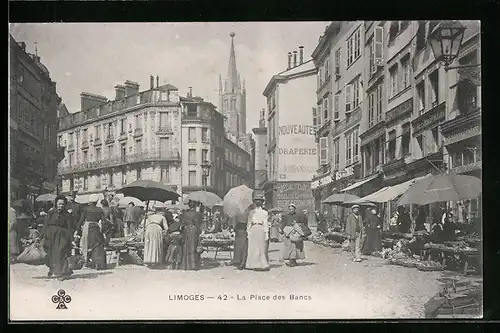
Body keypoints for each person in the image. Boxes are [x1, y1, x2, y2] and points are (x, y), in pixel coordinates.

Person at [39, 196, 76, 280]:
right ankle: (52, 269)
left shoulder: (67, 214)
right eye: (59, 204)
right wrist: (40, 236)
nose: (61, 206)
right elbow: (45, 225)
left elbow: (69, 227)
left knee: (61, 253)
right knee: (50, 253)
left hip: (62, 236)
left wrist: (72, 240)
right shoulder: (51, 213)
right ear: (56, 204)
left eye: (63, 204)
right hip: (50, 235)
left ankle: (61, 273)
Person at [79, 194, 107, 270]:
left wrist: (78, 229)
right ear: (97, 201)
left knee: (86, 244)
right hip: (96, 227)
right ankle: (97, 262)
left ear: (90, 201)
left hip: (87, 227)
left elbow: (81, 220)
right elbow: (104, 221)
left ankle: (87, 261)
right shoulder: (100, 210)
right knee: (97, 244)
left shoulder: (86, 209)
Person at [245, 192, 270, 271]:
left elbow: (265, 223)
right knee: (253, 247)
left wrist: (266, 234)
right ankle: (252, 264)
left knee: (261, 247)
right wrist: (248, 231)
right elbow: (249, 222)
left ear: (262, 202)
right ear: (255, 202)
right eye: (257, 201)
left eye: (260, 201)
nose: (258, 202)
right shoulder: (251, 212)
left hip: (261, 228)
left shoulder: (265, 212)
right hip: (253, 229)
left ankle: (262, 264)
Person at [280, 203, 307, 267]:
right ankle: (292, 260)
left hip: (296, 233)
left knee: (296, 247)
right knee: (289, 246)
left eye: (292, 209)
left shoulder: (298, 215)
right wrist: (281, 231)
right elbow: (283, 223)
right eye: (290, 209)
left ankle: (293, 261)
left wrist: (297, 224)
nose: (291, 210)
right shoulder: (286, 216)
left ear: (295, 209)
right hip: (288, 233)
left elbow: (303, 222)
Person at [143, 203, 169, 268]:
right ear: (161, 211)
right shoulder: (162, 217)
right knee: (156, 244)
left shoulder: (150, 216)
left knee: (149, 244)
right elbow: (166, 228)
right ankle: (155, 260)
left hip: (149, 229)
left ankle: (148, 260)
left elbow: (146, 225)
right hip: (157, 228)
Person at [179, 200, 202, 270]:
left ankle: (185, 265)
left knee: (186, 246)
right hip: (193, 230)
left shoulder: (184, 213)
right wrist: (199, 232)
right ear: (195, 206)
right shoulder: (197, 213)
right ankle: (193, 265)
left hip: (186, 230)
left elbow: (182, 223)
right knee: (193, 246)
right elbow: (198, 224)